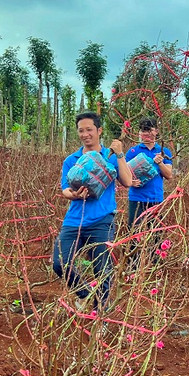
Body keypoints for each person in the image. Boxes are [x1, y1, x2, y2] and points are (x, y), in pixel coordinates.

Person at [53, 111, 133, 306]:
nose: (85, 134)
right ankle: (86, 295)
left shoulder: (110, 156)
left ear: (99, 130)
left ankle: (100, 315)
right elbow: (65, 189)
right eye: (81, 131)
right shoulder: (72, 160)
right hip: (73, 221)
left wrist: (120, 154)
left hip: (101, 221)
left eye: (89, 129)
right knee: (60, 263)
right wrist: (74, 194)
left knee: (102, 269)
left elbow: (128, 181)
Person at [125, 117, 173, 225]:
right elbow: (124, 174)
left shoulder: (164, 151)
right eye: (143, 130)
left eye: (149, 130)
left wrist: (160, 163)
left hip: (156, 199)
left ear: (156, 131)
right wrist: (131, 182)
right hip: (136, 199)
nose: (146, 133)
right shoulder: (133, 152)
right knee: (134, 232)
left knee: (155, 234)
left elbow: (169, 175)